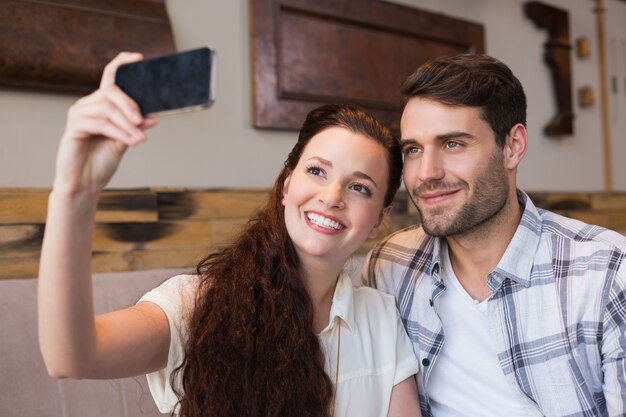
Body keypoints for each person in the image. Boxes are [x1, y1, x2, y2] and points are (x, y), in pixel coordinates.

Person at [37, 53, 422, 417]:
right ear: (287, 186)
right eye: (317, 171)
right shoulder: (197, 304)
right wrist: (75, 191)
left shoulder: (381, 318)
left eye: (360, 188)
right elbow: (72, 357)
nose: (332, 197)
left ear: (378, 220)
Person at [364, 53, 626, 417]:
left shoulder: (608, 273)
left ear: (513, 146)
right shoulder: (389, 266)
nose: (426, 173)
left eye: (453, 144)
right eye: (413, 149)